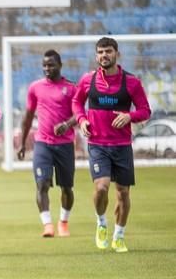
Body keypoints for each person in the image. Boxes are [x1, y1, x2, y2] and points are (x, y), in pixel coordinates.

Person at [72, 37, 151, 252]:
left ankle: (119, 235)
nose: (104, 55)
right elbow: (76, 102)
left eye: (108, 51)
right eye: (100, 52)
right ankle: (101, 223)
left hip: (122, 145)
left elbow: (145, 110)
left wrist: (129, 116)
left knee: (123, 193)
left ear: (117, 53)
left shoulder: (132, 82)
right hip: (97, 144)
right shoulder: (88, 80)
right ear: (96, 55)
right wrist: (82, 120)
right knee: (101, 187)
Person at [17, 50, 78, 238]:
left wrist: (67, 124)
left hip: (65, 145)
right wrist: (22, 143)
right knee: (41, 184)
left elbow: (79, 114)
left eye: (50, 65)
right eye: (44, 65)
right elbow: (28, 116)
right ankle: (47, 225)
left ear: (60, 66)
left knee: (66, 188)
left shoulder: (71, 88)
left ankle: (63, 222)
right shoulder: (35, 87)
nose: (47, 68)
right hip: (42, 143)